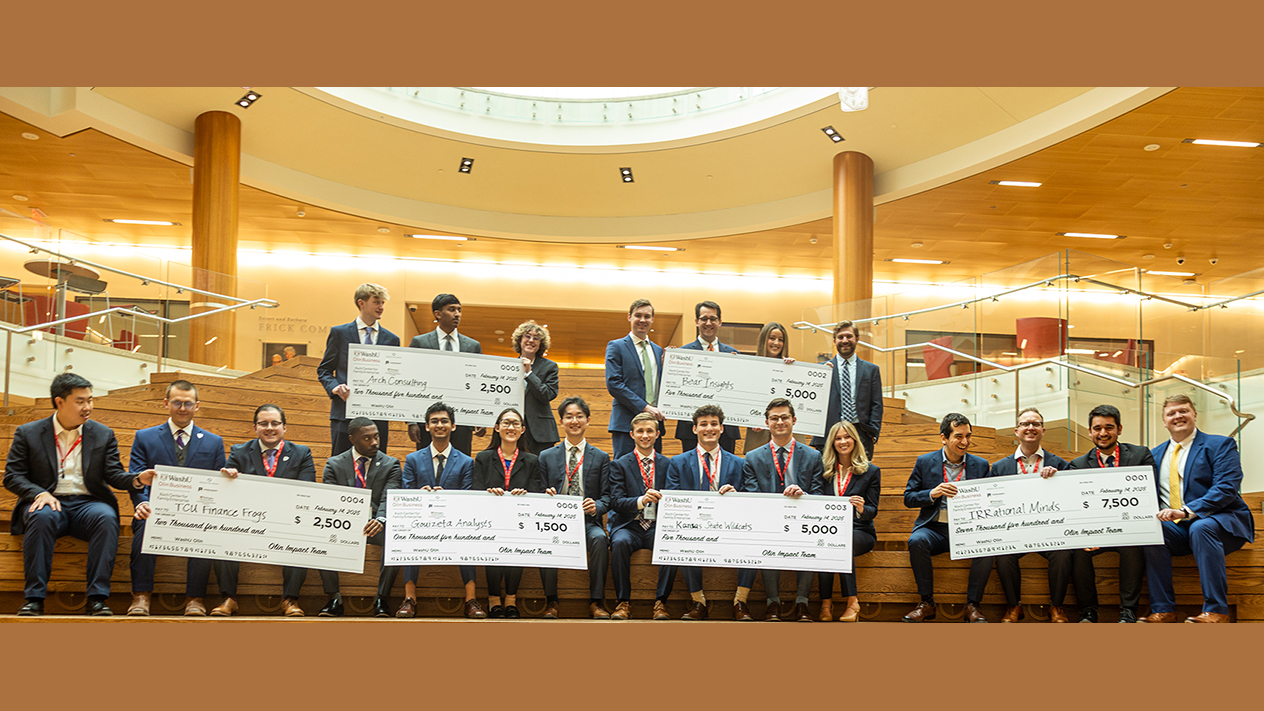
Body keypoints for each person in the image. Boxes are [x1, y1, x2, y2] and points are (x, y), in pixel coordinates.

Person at [5, 373, 154, 616]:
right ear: (59, 402)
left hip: (89, 503)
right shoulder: (28, 433)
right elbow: (12, 476)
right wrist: (38, 493)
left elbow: (114, 474)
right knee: (40, 516)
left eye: (90, 400)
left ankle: (97, 599)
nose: (88, 407)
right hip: (49, 502)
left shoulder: (102, 434)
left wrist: (137, 479)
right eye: (81, 401)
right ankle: (34, 599)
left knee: (106, 518)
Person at [1139, 394, 1255, 623]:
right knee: (1150, 530)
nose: (1178, 416)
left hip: (1221, 522)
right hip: (1178, 530)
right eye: (1171, 413)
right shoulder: (1153, 455)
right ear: (1164, 421)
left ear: (1194, 415)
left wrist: (1186, 511)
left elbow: (1226, 488)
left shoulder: (1220, 444)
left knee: (1201, 527)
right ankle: (1163, 610)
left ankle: (1216, 611)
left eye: (1183, 410)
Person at [126, 379, 227, 616]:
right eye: (177, 403)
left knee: (207, 529)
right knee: (144, 522)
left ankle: (195, 598)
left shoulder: (214, 442)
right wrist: (141, 502)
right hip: (155, 509)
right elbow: (135, 477)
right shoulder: (145, 437)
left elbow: (218, 483)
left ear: (197, 406)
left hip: (197, 512)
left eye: (188, 403)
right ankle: (141, 596)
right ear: (166, 403)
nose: (182, 408)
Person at [213, 404, 317, 617]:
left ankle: (290, 600)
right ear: (255, 427)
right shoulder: (239, 451)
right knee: (221, 534)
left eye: (275, 423)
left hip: (286, 520)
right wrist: (228, 475)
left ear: (284, 428)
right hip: (248, 521)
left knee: (302, 537)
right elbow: (227, 491)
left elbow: (307, 490)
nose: (269, 428)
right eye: (263, 424)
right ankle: (229, 599)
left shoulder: (301, 453)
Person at [979, 407, 1072, 622]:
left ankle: (1056, 607)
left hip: (1050, 531)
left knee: (1063, 552)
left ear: (1043, 430)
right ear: (1016, 431)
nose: (1031, 428)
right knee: (1002, 552)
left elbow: (1070, 499)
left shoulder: (1059, 465)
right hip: (1016, 532)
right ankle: (1014, 606)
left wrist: (1060, 480)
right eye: (1025, 424)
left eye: (1036, 424)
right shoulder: (1000, 467)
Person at [1065, 404, 1156, 623]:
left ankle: (1128, 610)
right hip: (1097, 530)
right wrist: (1091, 532)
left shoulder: (1140, 454)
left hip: (1131, 527)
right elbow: (1077, 505)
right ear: (1089, 431)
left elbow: (1148, 494)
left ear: (1119, 429)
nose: (1103, 433)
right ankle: (1088, 611)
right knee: (1078, 549)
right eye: (1097, 428)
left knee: (1132, 543)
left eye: (1109, 427)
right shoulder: (1077, 465)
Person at [901, 413, 994, 623]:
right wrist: (932, 493)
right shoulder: (925, 462)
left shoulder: (980, 465)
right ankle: (927, 603)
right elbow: (908, 497)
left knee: (989, 545)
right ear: (944, 437)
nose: (965, 442)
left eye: (968, 436)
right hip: (935, 528)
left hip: (968, 529)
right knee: (916, 541)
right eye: (959, 436)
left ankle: (973, 605)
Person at [738, 398, 824, 622]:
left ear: (794, 420)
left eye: (784, 417)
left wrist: (803, 496)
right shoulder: (752, 457)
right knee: (767, 539)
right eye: (774, 418)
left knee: (810, 542)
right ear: (767, 423)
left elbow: (818, 493)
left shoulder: (813, 456)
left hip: (804, 517)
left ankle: (802, 605)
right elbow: (752, 494)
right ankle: (772, 604)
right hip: (767, 520)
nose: (780, 422)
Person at [398, 402, 482, 618]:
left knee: (469, 537)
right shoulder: (412, 459)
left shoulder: (466, 462)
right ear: (426, 427)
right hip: (420, 521)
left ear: (453, 426)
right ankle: (409, 599)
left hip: (454, 523)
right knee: (407, 536)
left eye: (444, 421)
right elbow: (406, 492)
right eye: (434, 421)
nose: (439, 425)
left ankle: (471, 600)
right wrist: (420, 494)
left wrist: (447, 497)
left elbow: (467, 495)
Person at [315, 417, 403, 618]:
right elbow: (330, 500)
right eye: (367, 438)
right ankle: (334, 598)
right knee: (319, 535)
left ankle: (381, 598)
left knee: (395, 538)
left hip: (375, 525)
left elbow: (388, 498)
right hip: (343, 523)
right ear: (352, 439)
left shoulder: (391, 464)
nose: (374, 442)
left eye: (376, 437)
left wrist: (380, 520)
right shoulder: (334, 464)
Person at [663, 405, 744, 620]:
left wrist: (736, 494)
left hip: (728, 525)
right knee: (682, 542)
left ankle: (741, 601)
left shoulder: (739, 463)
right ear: (694, 429)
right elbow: (672, 497)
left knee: (751, 543)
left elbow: (748, 499)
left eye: (714, 424)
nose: (709, 428)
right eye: (704, 424)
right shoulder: (677, 462)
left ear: (722, 428)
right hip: (692, 524)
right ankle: (698, 601)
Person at [537, 397, 612, 619]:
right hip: (555, 521)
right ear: (561, 421)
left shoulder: (600, 456)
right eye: (569, 416)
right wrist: (546, 496)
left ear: (588, 420)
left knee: (600, 539)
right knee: (545, 541)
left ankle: (596, 602)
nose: (574, 420)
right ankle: (551, 602)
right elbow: (538, 491)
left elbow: (607, 497)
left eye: (579, 416)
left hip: (588, 522)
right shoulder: (546, 456)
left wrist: (596, 506)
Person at [471, 407, 541, 618]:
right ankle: (493, 599)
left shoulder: (532, 461)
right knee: (493, 547)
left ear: (522, 430)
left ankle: (511, 599)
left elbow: (537, 493)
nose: (511, 427)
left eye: (515, 424)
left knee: (517, 546)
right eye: (506, 423)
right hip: (489, 521)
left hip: (520, 523)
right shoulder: (483, 458)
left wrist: (526, 493)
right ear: (496, 427)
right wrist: (488, 492)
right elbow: (475, 490)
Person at [317, 282, 400, 456]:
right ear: (361, 303)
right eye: (377, 302)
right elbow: (324, 370)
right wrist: (334, 387)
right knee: (341, 466)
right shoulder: (339, 333)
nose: (381, 307)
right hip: (344, 413)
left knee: (378, 468)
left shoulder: (392, 339)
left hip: (378, 415)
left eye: (383, 303)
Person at [608, 412, 672, 620]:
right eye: (640, 431)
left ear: (657, 434)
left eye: (649, 431)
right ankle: (623, 602)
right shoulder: (619, 464)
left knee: (670, 544)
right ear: (632, 434)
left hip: (657, 526)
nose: (645, 435)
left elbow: (675, 498)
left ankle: (661, 603)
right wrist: (641, 501)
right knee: (619, 543)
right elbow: (616, 502)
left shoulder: (668, 464)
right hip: (630, 525)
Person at [817, 419, 880, 622]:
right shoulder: (824, 470)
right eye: (838, 438)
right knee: (826, 544)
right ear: (832, 443)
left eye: (847, 437)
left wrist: (862, 508)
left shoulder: (871, 471)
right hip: (829, 530)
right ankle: (826, 602)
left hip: (861, 531)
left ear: (855, 440)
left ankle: (853, 602)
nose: (843, 442)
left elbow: (873, 510)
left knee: (842, 543)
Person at [408, 293, 484, 455]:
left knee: (461, 466)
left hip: (462, 420)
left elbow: (477, 383)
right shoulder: (419, 343)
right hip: (428, 420)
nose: (457, 314)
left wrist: (480, 418)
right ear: (438, 314)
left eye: (459, 310)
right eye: (451, 310)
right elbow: (410, 380)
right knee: (426, 464)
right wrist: (411, 421)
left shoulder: (472, 346)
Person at [674, 301, 740, 453]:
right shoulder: (682, 354)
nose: (708, 323)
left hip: (727, 427)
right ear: (697, 322)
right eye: (704, 319)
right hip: (691, 428)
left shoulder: (734, 355)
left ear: (720, 322)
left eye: (713, 319)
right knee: (693, 474)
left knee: (726, 474)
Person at [812, 320, 883, 460]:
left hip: (861, 436)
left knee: (861, 479)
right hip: (828, 436)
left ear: (857, 339)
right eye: (840, 337)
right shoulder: (821, 370)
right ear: (834, 340)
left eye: (849, 336)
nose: (845, 340)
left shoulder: (871, 370)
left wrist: (873, 432)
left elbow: (876, 404)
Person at [605, 298, 664, 459]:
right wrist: (645, 407)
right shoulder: (616, 346)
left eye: (647, 316)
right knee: (623, 471)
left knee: (653, 474)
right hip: (626, 423)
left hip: (654, 425)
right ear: (629, 317)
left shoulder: (659, 351)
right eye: (638, 315)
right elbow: (614, 383)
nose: (643, 320)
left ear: (652, 319)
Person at [745, 321, 793, 452]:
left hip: (787, 433)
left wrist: (795, 370)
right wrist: (751, 420)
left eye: (780, 339)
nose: (776, 343)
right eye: (772, 338)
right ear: (764, 340)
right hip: (758, 434)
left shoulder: (792, 368)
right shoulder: (750, 367)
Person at [514, 320, 559, 455]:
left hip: (541, 433)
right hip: (514, 429)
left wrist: (529, 373)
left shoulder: (550, 367)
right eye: (527, 336)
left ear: (541, 344)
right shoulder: (507, 366)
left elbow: (548, 395)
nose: (531, 340)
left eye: (536, 338)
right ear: (520, 340)